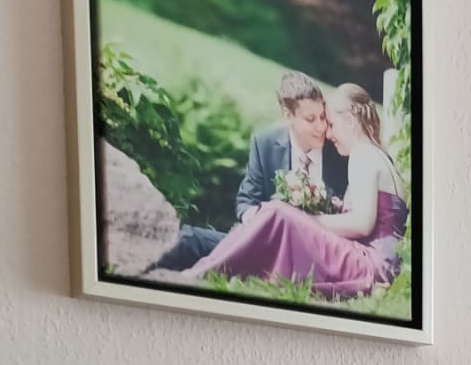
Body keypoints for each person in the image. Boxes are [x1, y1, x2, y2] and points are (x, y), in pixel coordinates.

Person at [170, 82, 406, 299]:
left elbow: (361, 224)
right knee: (276, 215)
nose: (328, 133)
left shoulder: (362, 155)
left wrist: (307, 219)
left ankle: (199, 273)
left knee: (278, 212)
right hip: (378, 263)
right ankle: (199, 260)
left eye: (332, 124)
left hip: (370, 266)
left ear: (351, 121)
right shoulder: (378, 156)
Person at [150, 70, 351, 273]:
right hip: (265, 246)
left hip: (315, 255)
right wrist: (261, 221)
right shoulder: (265, 143)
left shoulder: (339, 151)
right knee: (190, 239)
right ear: (288, 115)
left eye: (322, 117)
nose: (321, 127)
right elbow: (246, 201)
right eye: (310, 119)